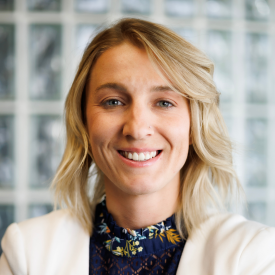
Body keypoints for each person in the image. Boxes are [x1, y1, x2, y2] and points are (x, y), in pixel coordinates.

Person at [0, 18, 275, 275]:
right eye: (113, 102)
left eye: (164, 102)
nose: (136, 129)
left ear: (195, 126)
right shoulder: (27, 251)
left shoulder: (254, 256)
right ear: (84, 121)